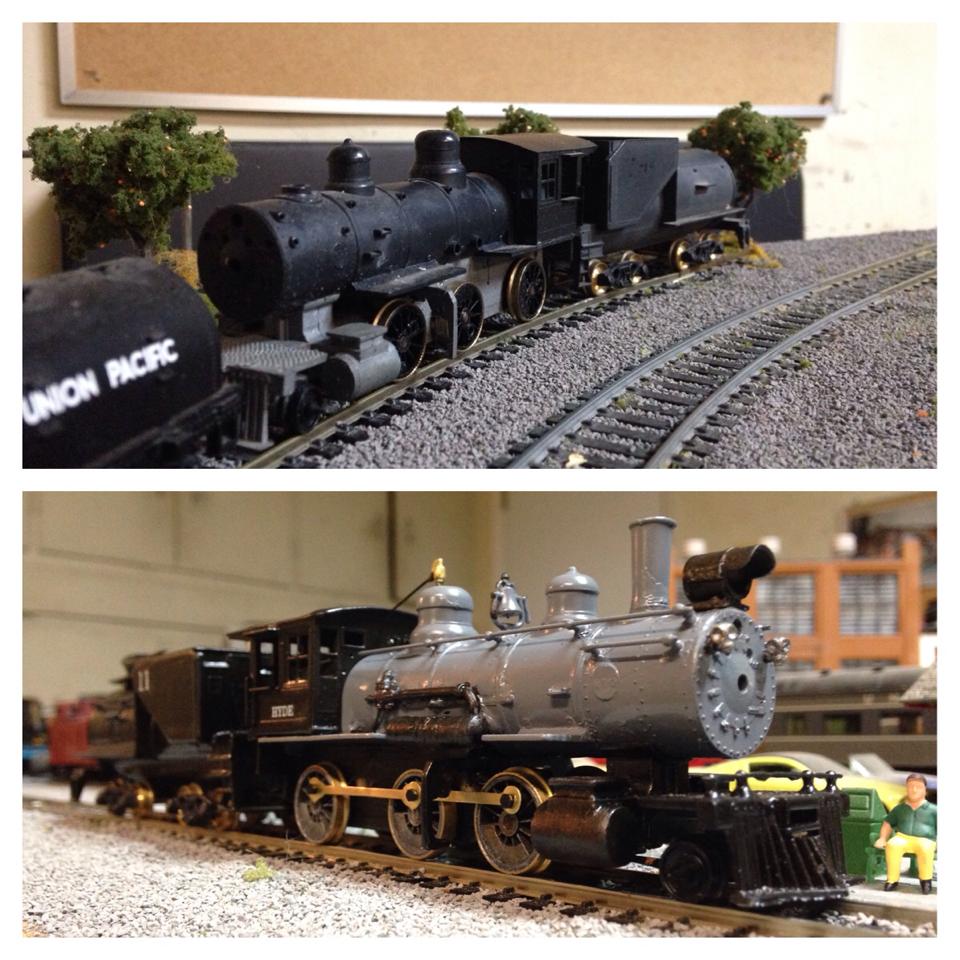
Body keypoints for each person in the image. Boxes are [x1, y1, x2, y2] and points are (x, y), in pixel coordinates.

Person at [874, 773, 937, 893]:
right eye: (910, 787)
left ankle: (926, 880)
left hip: (925, 839)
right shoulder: (899, 809)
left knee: (925, 849)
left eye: (918, 787)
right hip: (902, 837)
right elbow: (888, 823)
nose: (914, 790)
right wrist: (882, 838)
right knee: (892, 845)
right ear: (906, 789)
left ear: (925, 791)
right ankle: (892, 880)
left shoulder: (933, 810)